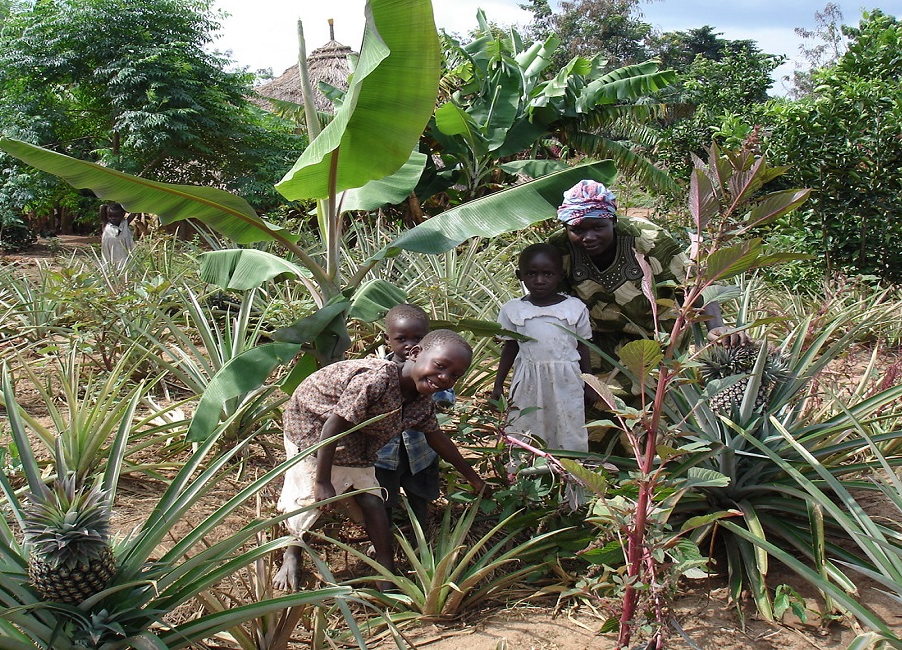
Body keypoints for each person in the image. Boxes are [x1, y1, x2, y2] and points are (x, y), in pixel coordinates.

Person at [273, 329, 486, 591]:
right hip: (313, 428)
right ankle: (292, 552)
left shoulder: (421, 400)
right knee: (308, 500)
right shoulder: (376, 380)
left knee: (372, 499)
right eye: (440, 366)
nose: (445, 378)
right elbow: (332, 427)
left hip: (356, 436)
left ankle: (386, 571)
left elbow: (436, 437)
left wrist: (474, 479)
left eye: (454, 375)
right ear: (415, 353)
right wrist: (323, 481)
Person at [548, 180, 747, 447]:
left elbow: (692, 282)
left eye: (598, 227)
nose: (589, 237)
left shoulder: (647, 239)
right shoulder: (559, 248)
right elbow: (552, 300)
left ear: (613, 221)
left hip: (657, 335)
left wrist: (716, 326)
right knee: (595, 404)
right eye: (577, 230)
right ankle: (605, 463)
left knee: (655, 407)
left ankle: (654, 462)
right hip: (597, 340)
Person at [491, 244, 594, 453]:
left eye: (547, 274)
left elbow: (583, 347)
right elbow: (510, 348)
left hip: (567, 380)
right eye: (531, 274)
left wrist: (590, 384)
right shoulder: (513, 309)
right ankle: (525, 469)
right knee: (526, 424)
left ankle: (568, 470)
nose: (539, 280)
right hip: (528, 381)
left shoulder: (574, 308)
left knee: (568, 425)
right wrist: (498, 384)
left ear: (560, 275)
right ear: (520, 276)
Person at [374, 304, 453, 533]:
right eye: (401, 339)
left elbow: (446, 397)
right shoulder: (377, 373)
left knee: (420, 492)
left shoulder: (435, 370)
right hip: (383, 452)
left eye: (418, 338)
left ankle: (420, 533)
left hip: (420, 449)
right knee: (383, 496)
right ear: (387, 339)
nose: (409, 345)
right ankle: (384, 536)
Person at [100, 202, 134, 267]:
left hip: (124, 256)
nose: (113, 218)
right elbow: (102, 207)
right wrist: (106, 206)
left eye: (116, 216)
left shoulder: (125, 224)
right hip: (110, 257)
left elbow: (134, 213)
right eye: (110, 216)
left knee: (124, 267)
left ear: (123, 215)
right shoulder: (106, 225)